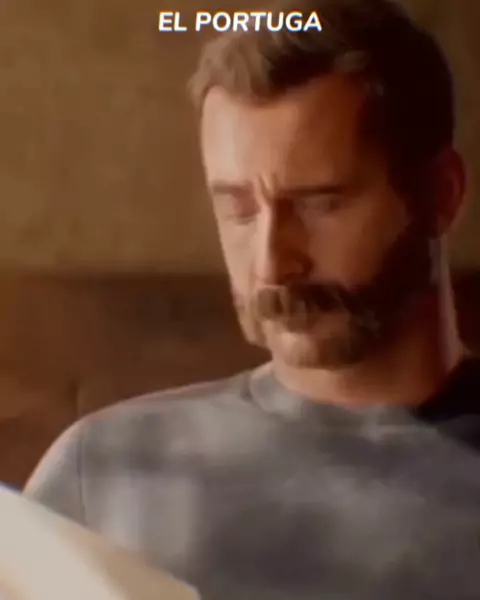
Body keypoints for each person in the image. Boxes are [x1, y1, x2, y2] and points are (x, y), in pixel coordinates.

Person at [24, 0, 480, 598]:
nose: (271, 264)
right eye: (239, 210)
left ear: (441, 194)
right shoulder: (103, 475)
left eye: (321, 204)